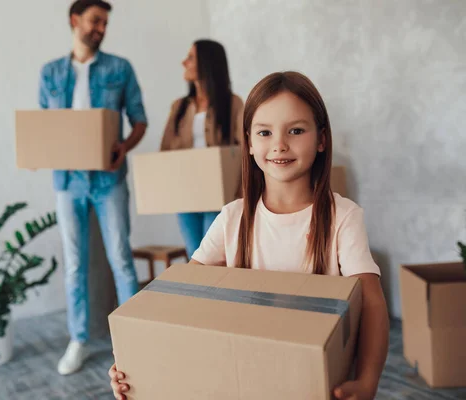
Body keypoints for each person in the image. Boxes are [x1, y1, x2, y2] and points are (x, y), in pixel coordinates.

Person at [109, 71, 389, 400]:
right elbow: (178, 299)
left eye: (296, 130)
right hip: (244, 378)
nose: (280, 144)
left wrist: (368, 380)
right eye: (265, 132)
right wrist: (136, 364)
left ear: (322, 139)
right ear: (250, 143)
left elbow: (372, 304)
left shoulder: (344, 218)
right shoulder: (232, 218)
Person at [38, 0, 148, 375]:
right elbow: (43, 128)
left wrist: (124, 148)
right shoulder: (50, 72)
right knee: (74, 265)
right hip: (68, 181)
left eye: (104, 23)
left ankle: (134, 340)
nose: (101, 28)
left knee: (121, 258)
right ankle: (79, 339)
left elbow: (139, 121)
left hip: (108, 179)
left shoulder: (120, 68)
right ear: (75, 21)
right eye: (95, 21)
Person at [160, 40, 244, 258]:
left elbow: (245, 150)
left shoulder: (233, 104)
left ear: (207, 63)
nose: (184, 62)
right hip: (186, 194)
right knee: (194, 255)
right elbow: (165, 150)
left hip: (219, 195)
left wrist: (241, 192)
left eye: (190, 57)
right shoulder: (178, 107)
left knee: (214, 257)